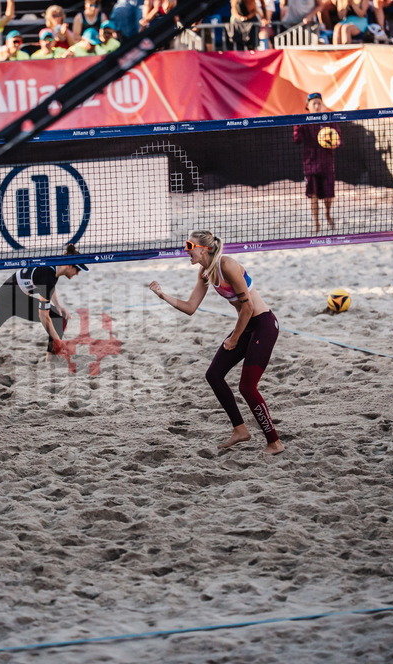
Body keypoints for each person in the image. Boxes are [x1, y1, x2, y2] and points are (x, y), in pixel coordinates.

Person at [147, 230, 284, 454]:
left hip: (263, 325)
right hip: (246, 325)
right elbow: (190, 308)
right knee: (214, 375)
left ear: (205, 249)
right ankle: (240, 430)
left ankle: (274, 442)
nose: (186, 251)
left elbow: (248, 307)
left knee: (247, 387)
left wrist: (235, 338)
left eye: (190, 247)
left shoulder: (227, 265)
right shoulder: (205, 272)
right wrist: (163, 295)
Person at [0, 244, 87, 361]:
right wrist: (58, 341)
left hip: (19, 301)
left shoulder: (53, 266)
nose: (77, 274)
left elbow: (48, 287)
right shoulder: (48, 274)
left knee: (58, 316)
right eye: (78, 270)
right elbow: (43, 315)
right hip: (3, 303)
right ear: (69, 265)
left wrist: (57, 305)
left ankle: (51, 360)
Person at [293, 92, 339, 233]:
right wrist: (298, 127)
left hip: (327, 164)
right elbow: (297, 140)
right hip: (310, 165)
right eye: (314, 103)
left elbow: (339, 140)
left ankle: (327, 214)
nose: (317, 106)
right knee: (312, 194)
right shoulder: (303, 122)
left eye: (319, 103)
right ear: (308, 106)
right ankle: (316, 223)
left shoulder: (329, 120)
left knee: (328, 195)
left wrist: (335, 143)